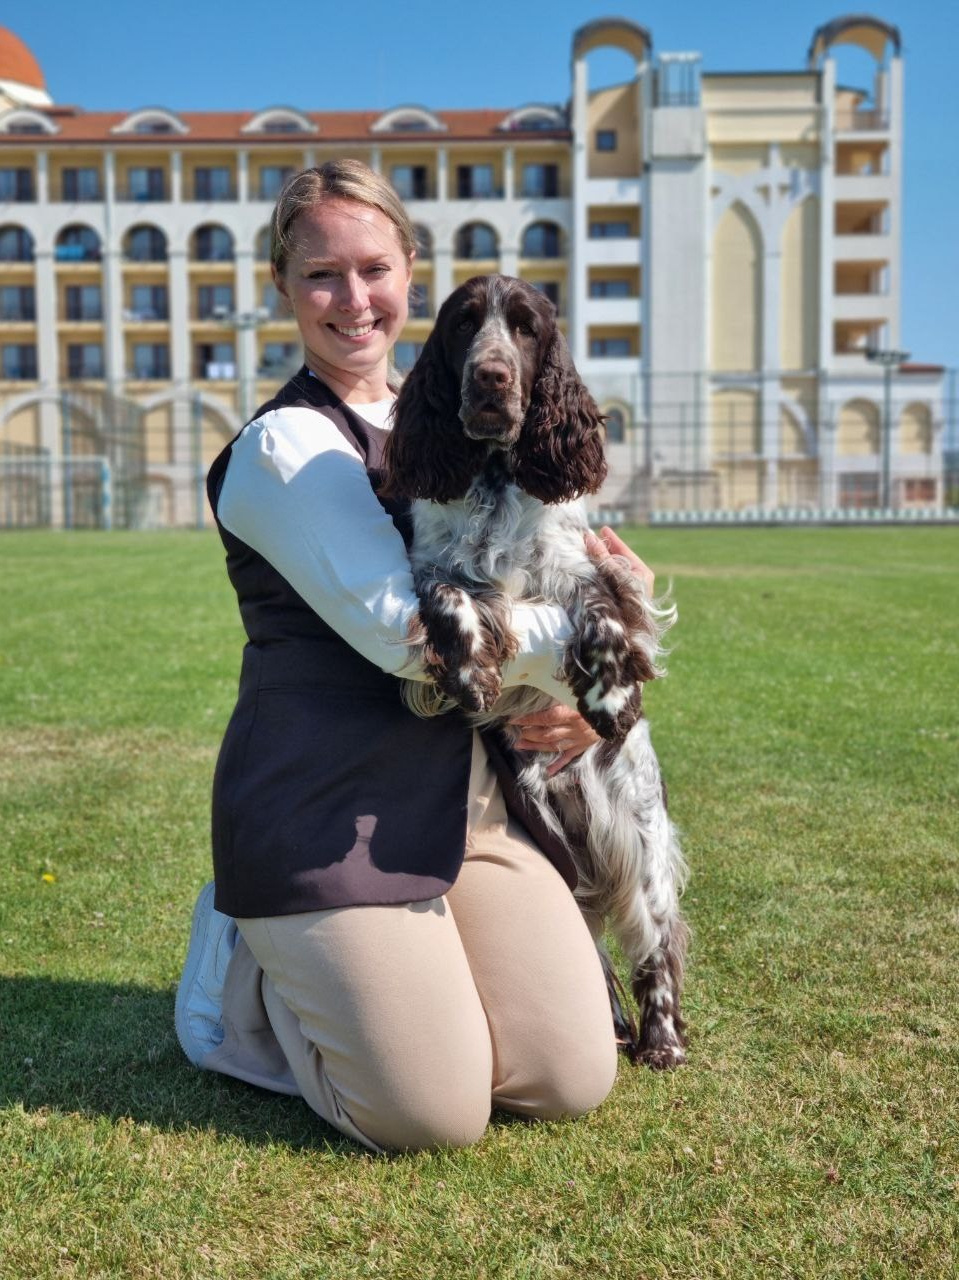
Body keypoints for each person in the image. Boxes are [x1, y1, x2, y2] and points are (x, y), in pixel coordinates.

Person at [175, 159, 655, 1153]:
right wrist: (593, 637)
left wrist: (591, 694)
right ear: (281, 286)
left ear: (409, 274)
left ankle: (400, 988)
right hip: (321, 809)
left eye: (374, 268)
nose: (353, 299)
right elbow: (408, 639)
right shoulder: (286, 451)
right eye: (320, 274)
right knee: (433, 1111)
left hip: (467, 799)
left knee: (568, 1074)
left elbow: (565, 570)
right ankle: (238, 978)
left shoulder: (454, 421)